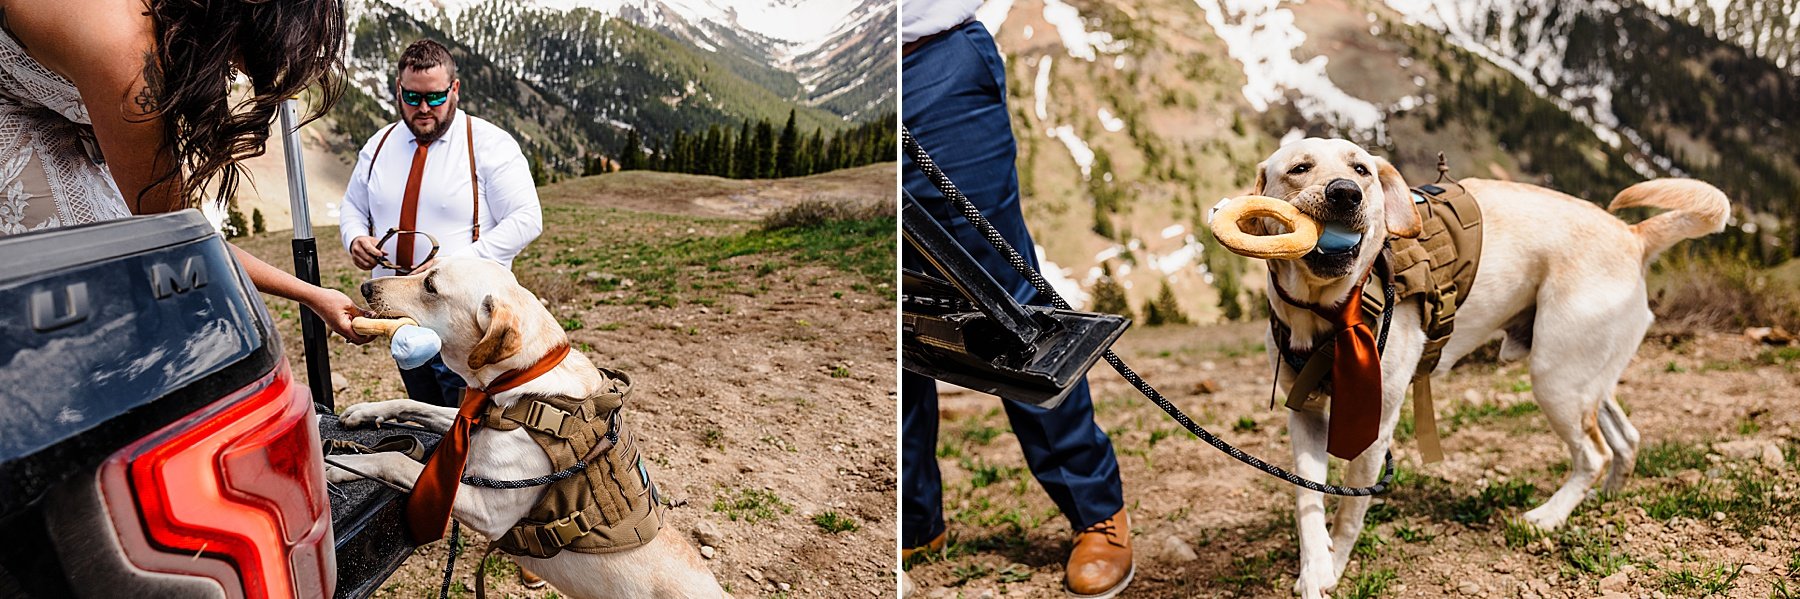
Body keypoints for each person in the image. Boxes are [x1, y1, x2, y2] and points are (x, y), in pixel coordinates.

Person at [900, 3, 1133, 597]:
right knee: (893, 305)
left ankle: (1094, 508)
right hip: (837, 69)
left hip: (932, 66)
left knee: (1004, 299)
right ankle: (914, 519)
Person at [0, 0, 371, 343]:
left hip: (41, 112)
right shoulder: (128, 60)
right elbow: (174, 233)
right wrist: (310, 294)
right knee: (92, 302)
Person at [338, 39, 543, 408]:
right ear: (398, 89)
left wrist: (457, 265)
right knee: (425, 409)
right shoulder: (378, 145)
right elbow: (353, 205)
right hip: (402, 314)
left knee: (468, 424)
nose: (422, 108)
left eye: (434, 97)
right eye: (412, 97)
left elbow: (527, 219)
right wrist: (355, 238)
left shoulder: (490, 145)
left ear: (455, 90)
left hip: (463, 322)